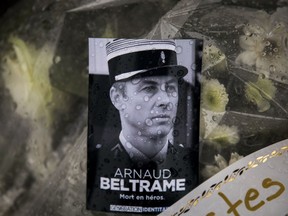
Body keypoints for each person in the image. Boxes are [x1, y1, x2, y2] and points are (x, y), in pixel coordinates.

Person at [87, 39, 198, 212]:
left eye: (170, 88)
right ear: (117, 98)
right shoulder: (92, 166)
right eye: (149, 89)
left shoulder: (192, 162)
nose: (165, 101)